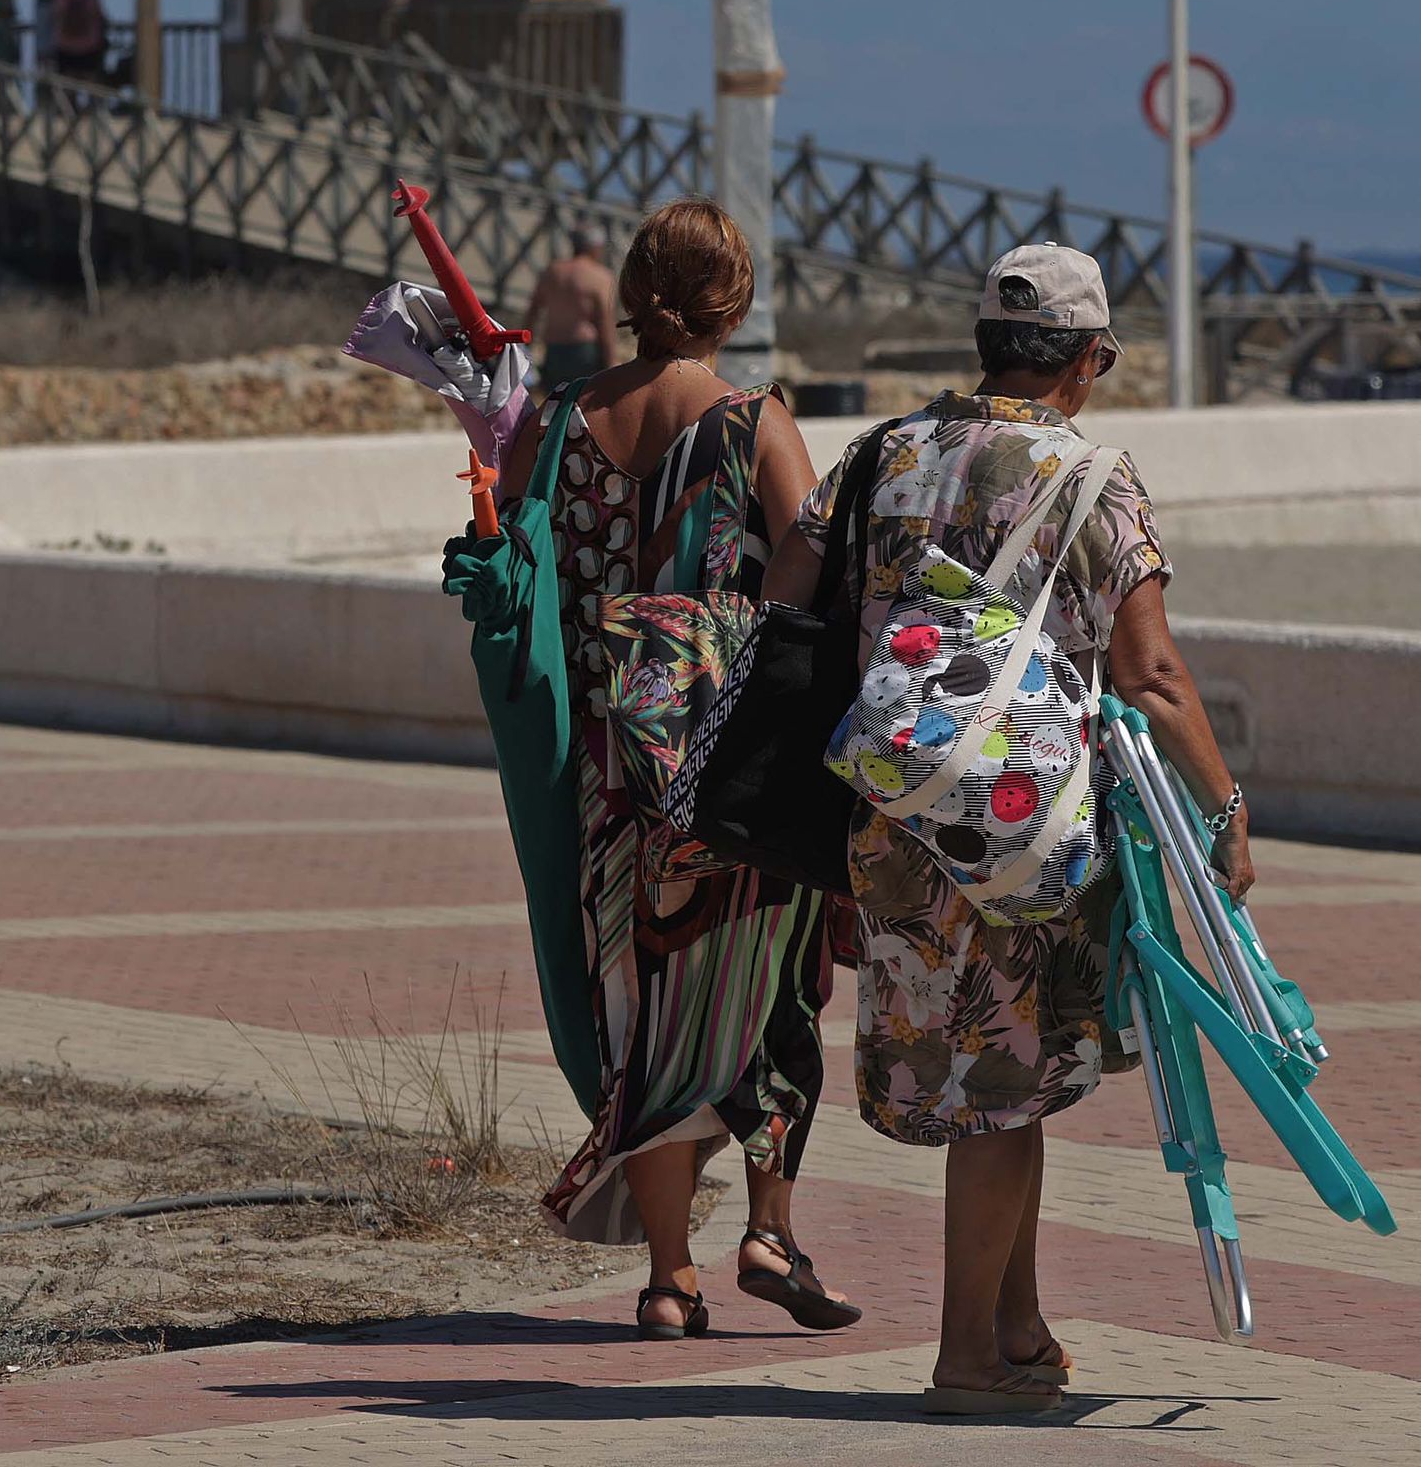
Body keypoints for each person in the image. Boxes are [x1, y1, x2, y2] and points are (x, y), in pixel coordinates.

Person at [764, 242, 1256, 1415]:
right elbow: (1152, 675)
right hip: (1022, 833)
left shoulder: (882, 452)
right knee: (1003, 1089)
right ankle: (964, 1358)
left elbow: (784, 591)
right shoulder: (1088, 474)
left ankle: (1018, 1326)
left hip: (890, 818)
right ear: (1087, 361)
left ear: (987, 346)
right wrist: (1223, 811)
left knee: (1006, 1084)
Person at [500, 197, 860, 1341]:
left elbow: (520, 556)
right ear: (734, 305)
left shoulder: (560, 422)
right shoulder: (754, 418)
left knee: (643, 1013)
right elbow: (806, 553)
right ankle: (766, 1226)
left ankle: (667, 1278)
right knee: (771, 996)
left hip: (613, 774)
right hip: (731, 764)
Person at [525, 227, 620, 391]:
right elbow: (605, 321)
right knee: (581, 406)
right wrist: (611, 359)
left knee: (553, 404)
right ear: (595, 248)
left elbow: (533, 312)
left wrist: (524, 347)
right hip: (584, 351)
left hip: (554, 349)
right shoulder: (600, 276)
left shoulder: (552, 271)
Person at [53, 0, 109, 85]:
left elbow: (57, 11)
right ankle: (88, 106)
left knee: (67, 80)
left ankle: (70, 105)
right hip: (88, 42)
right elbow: (96, 11)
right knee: (90, 78)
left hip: (65, 41)